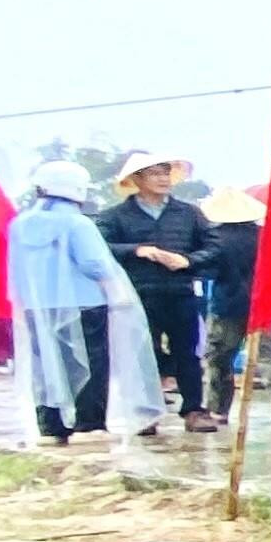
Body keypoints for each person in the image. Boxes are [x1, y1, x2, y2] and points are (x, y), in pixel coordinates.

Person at [10, 160, 162, 444]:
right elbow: (95, 264)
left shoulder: (20, 224)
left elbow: (14, 268)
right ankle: (88, 424)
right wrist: (115, 289)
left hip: (37, 306)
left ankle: (51, 426)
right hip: (84, 304)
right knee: (89, 363)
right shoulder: (78, 223)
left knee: (47, 364)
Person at [94, 153, 219, 432]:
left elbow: (214, 247)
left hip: (181, 291)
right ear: (137, 179)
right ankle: (145, 411)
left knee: (187, 353)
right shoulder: (115, 216)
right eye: (155, 174)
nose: (163, 179)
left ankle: (194, 410)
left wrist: (189, 261)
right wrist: (136, 250)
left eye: (166, 173)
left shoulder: (189, 214)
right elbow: (99, 248)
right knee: (142, 353)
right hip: (138, 293)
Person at [195, 186, 271, 429]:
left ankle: (218, 409)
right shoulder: (266, 237)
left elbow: (207, 271)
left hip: (227, 304)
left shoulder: (215, 239)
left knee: (220, 357)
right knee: (268, 356)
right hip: (264, 304)